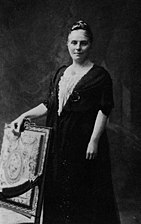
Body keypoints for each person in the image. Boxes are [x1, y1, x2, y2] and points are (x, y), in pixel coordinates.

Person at [11, 20, 121, 224]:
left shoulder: (100, 76)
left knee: (83, 195)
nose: (78, 48)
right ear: (67, 44)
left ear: (91, 45)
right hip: (58, 144)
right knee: (57, 192)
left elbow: (104, 109)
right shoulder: (61, 73)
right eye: (74, 43)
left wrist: (94, 141)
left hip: (83, 144)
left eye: (83, 43)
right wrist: (23, 116)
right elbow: (49, 104)